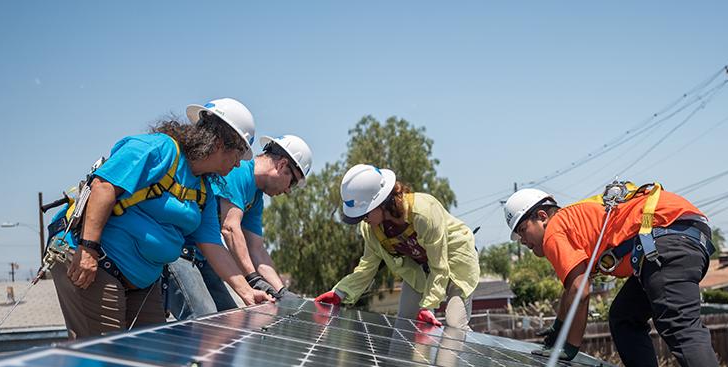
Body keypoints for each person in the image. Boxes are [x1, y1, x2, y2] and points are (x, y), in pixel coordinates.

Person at [51, 98, 271, 338]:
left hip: (142, 284)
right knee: (105, 358)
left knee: (151, 355)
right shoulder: (159, 150)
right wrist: (88, 250)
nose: (239, 162)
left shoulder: (203, 189)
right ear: (220, 143)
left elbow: (212, 245)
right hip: (96, 264)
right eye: (239, 152)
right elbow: (103, 187)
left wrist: (246, 291)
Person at [504, 183, 725, 367]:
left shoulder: (554, 230)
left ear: (542, 216)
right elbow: (571, 288)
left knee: (680, 326)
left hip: (668, 237)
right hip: (673, 238)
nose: (522, 240)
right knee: (624, 316)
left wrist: (569, 348)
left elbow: (579, 292)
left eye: (523, 230)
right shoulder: (575, 225)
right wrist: (558, 327)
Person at [315, 164, 480, 329]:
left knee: (455, 324)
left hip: (455, 260)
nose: (363, 220)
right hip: (422, 269)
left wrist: (427, 306)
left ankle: (466, 351)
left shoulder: (424, 212)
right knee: (405, 324)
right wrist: (339, 293)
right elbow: (367, 268)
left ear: (382, 202)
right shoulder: (372, 229)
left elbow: (440, 266)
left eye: (365, 214)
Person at [166, 134, 312, 318]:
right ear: (282, 165)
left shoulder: (256, 198)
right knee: (205, 324)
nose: (289, 190)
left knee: (229, 321)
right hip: (180, 253)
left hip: (205, 258)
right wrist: (253, 279)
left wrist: (281, 290)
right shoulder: (236, 170)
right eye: (292, 182)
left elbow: (257, 249)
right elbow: (230, 229)